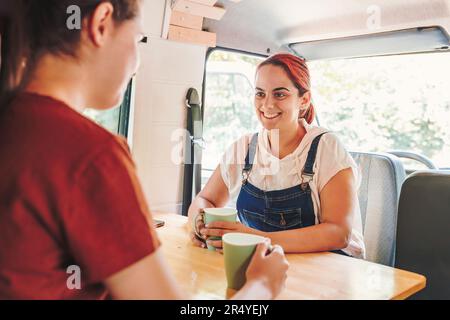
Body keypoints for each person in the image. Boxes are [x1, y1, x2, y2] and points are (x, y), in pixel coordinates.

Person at [0, 0, 289, 300]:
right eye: (138, 39)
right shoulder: (91, 155)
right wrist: (261, 286)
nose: (137, 63)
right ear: (101, 23)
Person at [189, 53, 365, 259]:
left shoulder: (326, 148)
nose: (267, 105)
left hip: (330, 269)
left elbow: (338, 233)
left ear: (304, 100)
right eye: (260, 94)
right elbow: (205, 199)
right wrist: (199, 224)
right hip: (264, 266)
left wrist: (260, 239)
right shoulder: (244, 148)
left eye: (280, 94)